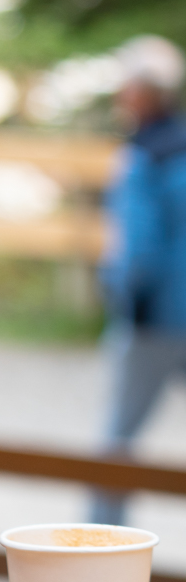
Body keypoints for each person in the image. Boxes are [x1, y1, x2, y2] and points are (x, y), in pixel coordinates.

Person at [90, 35, 186, 525]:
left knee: (117, 440)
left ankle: (99, 552)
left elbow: (139, 247)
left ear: (142, 92)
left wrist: (121, 294)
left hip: (155, 318)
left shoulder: (143, 156)